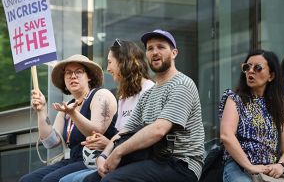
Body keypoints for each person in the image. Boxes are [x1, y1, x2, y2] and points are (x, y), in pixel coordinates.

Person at [83, 29, 205, 182]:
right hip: (154, 159)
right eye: (150, 48)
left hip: (181, 164)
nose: (155, 52)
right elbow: (125, 130)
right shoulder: (148, 94)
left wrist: (118, 152)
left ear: (174, 53)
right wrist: (104, 156)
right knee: (91, 180)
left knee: (111, 180)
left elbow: (159, 130)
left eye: (161, 47)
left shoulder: (182, 84)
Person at [219, 49, 284, 182]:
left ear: (271, 76)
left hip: (272, 167)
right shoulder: (234, 99)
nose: (250, 71)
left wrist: (281, 165)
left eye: (258, 68)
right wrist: (250, 166)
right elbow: (226, 136)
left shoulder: (277, 104)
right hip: (239, 167)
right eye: (247, 67)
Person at [59, 40, 154, 182]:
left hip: (140, 159)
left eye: (110, 62)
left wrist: (109, 149)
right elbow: (120, 135)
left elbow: (148, 135)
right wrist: (106, 149)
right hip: (119, 158)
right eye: (68, 73)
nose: (108, 68)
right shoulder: (123, 97)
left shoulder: (149, 89)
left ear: (123, 61)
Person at [19, 54, 118, 182]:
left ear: (89, 77)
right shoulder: (68, 106)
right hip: (72, 160)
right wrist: (41, 110)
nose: (73, 76)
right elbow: (50, 142)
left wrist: (73, 114)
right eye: (68, 73)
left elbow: (96, 132)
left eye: (79, 72)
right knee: (27, 180)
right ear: (64, 80)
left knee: (50, 180)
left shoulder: (100, 95)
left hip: (95, 159)